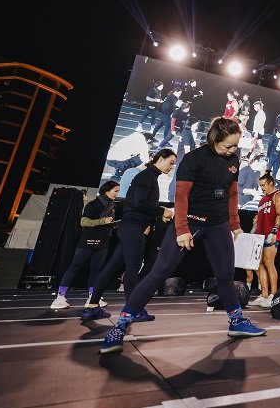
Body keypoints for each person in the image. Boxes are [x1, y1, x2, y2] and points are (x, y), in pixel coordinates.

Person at [100, 118, 264, 353]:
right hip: (192, 220)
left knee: (226, 276)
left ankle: (236, 321)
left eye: (236, 146)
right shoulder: (194, 159)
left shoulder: (233, 160)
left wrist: (235, 224)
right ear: (214, 139)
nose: (233, 150)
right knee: (158, 272)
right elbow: (181, 196)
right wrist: (183, 229)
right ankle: (120, 326)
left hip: (217, 224)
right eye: (228, 146)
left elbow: (232, 194)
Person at [83, 149, 176, 320]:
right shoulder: (146, 176)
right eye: (171, 162)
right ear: (160, 159)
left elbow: (138, 204)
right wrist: (162, 210)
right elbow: (139, 203)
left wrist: (150, 220)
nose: (172, 167)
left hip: (131, 227)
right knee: (132, 268)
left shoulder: (149, 176)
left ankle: (92, 307)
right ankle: (133, 310)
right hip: (132, 228)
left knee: (111, 267)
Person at [50, 182, 120, 310]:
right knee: (75, 266)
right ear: (106, 191)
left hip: (103, 241)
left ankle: (92, 297)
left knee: (96, 270)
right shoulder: (94, 204)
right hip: (88, 240)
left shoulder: (112, 206)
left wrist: (112, 224)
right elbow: (84, 222)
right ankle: (60, 297)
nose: (117, 193)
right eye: (115, 191)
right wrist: (102, 221)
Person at [249, 173, 280, 308]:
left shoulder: (278, 195)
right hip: (260, 236)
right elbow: (261, 218)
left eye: (263, 185)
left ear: (271, 183)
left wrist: (274, 231)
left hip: (271, 234)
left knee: (269, 263)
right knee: (259, 264)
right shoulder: (262, 199)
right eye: (260, 186)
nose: (262, 188)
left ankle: (273, 295)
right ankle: (264, 295)